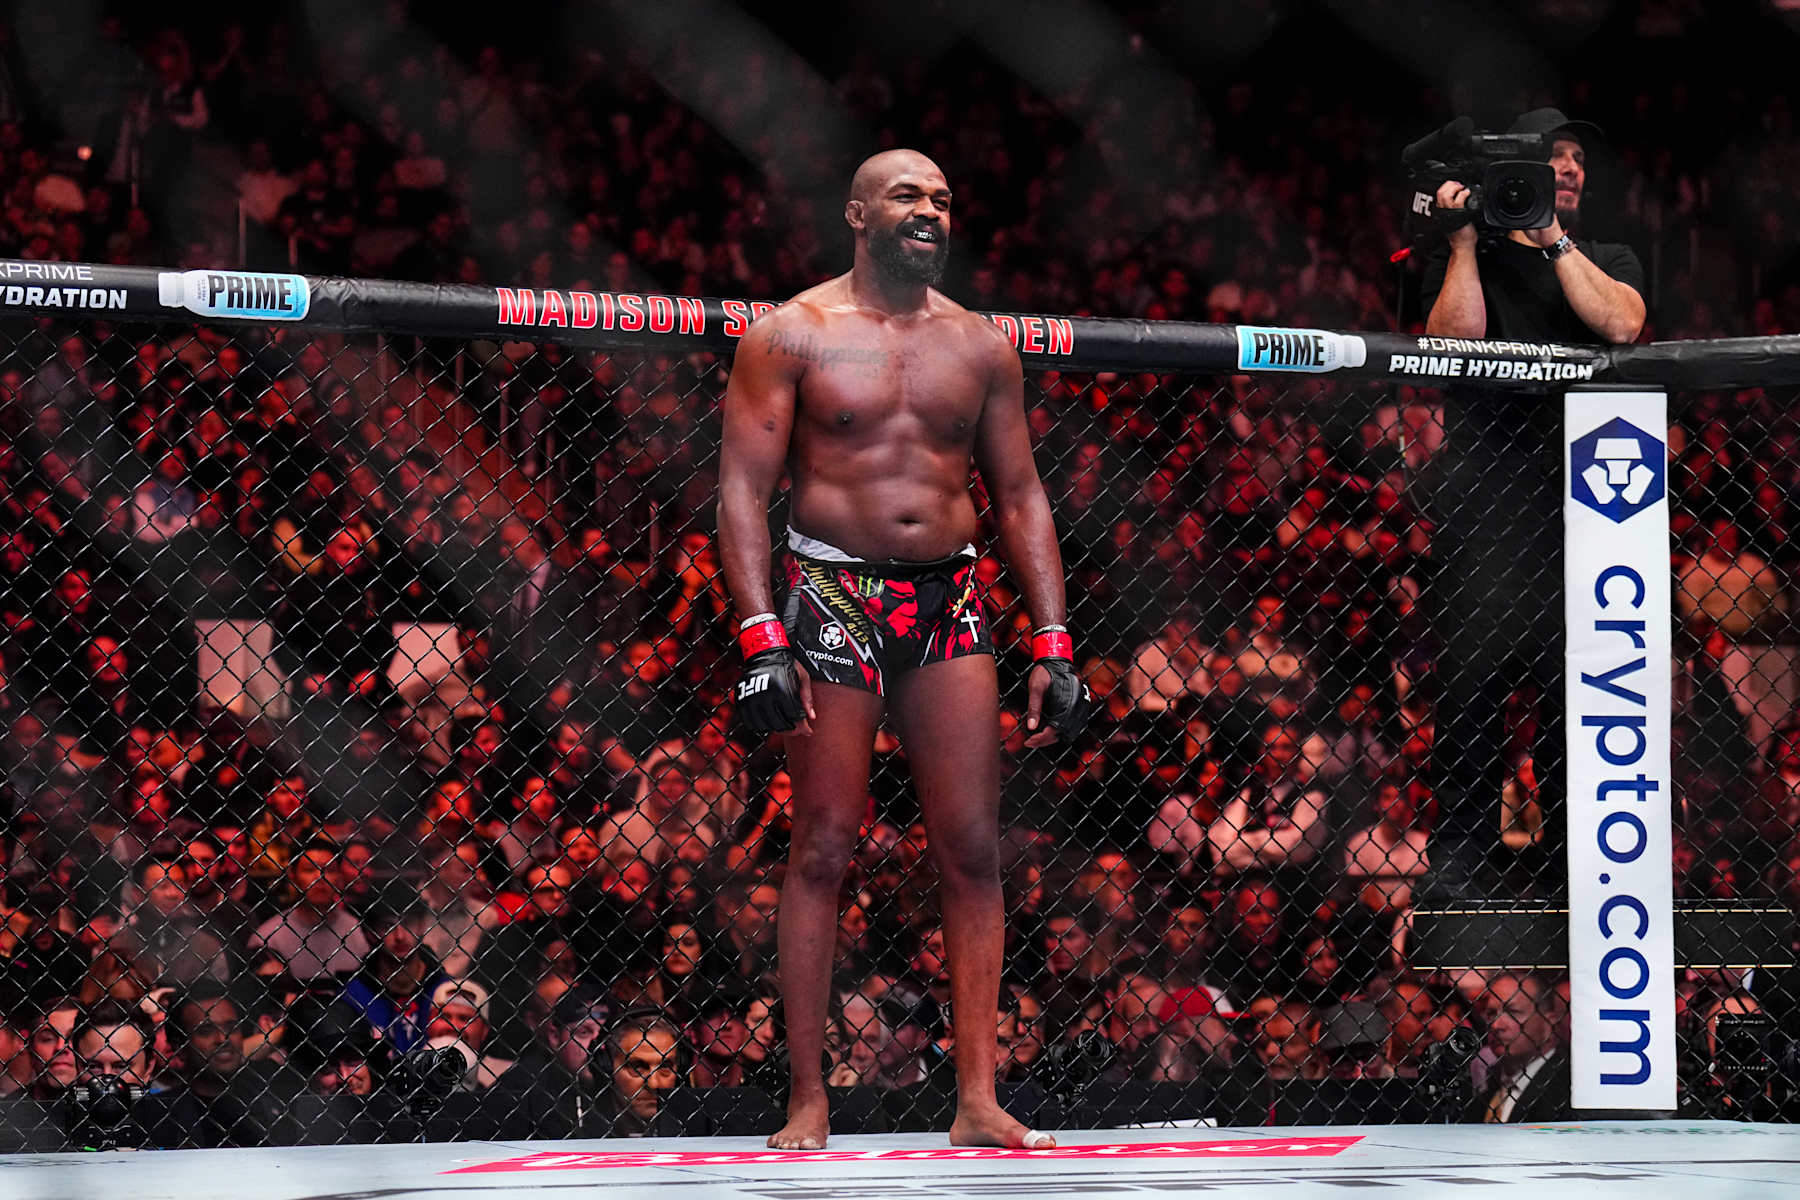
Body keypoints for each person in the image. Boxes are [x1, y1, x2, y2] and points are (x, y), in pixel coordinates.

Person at [718, 148, 1091, 1149]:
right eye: (909, 195)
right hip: (832, 589)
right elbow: (742, 490)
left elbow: (1019, 496)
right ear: (857, 212)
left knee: (972, 846)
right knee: (826, 844)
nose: (932, 210)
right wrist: (761, 635)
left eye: (943, 197)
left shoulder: (980, 346)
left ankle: (975, 1099)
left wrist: (1052, 639)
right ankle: (807, 1094)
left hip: (951, 597)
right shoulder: (792, 333)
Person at [1420, 108, 1646, 893]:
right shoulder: (1469, 255)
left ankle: (1576, 857)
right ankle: (1462, 858)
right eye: (1557, 158)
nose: (1574, 168)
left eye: (1580, 157)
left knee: (1575, 690)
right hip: (1483, 503)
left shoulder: (1606, 257)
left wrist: (1553, 238)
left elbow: (1620, 323)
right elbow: (1454, 342)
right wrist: (1460, 243)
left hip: (1585, 508)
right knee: (1471, 688)